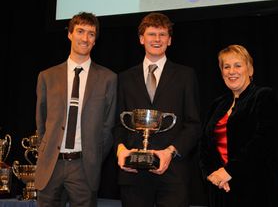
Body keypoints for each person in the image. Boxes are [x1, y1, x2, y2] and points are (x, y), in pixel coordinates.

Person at [114, 12, 201, 207]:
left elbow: (194, 125)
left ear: (169, 40)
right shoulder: (124, 78)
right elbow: (117, 123)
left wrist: (170, 152)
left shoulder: (185, 75)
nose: (157, 39)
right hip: (132, 172)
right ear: (141, 39)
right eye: (152, 34)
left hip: (173, 173)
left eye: (162, 35)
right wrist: (121, 150)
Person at [35, 12, 117, 207]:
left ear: (95, 40)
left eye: (91, 33)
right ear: (70, 34)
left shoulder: (108, 78)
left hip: (84, 167)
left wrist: (93, 156)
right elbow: (41, 121)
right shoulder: (47, 76)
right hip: (51, 165)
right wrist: (46, 151)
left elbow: (108, 127)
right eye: (80, 31)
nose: (85, 38)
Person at [199, 44, 278, 207]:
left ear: (250, 70)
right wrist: (211, 175)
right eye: (226, 66)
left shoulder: (264, 96)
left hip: (256, 189)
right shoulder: (217, 105)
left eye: (238, 65)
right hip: (220, 190)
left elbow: (264, 141)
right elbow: (204, 145)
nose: (232, 71)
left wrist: (229, 171)